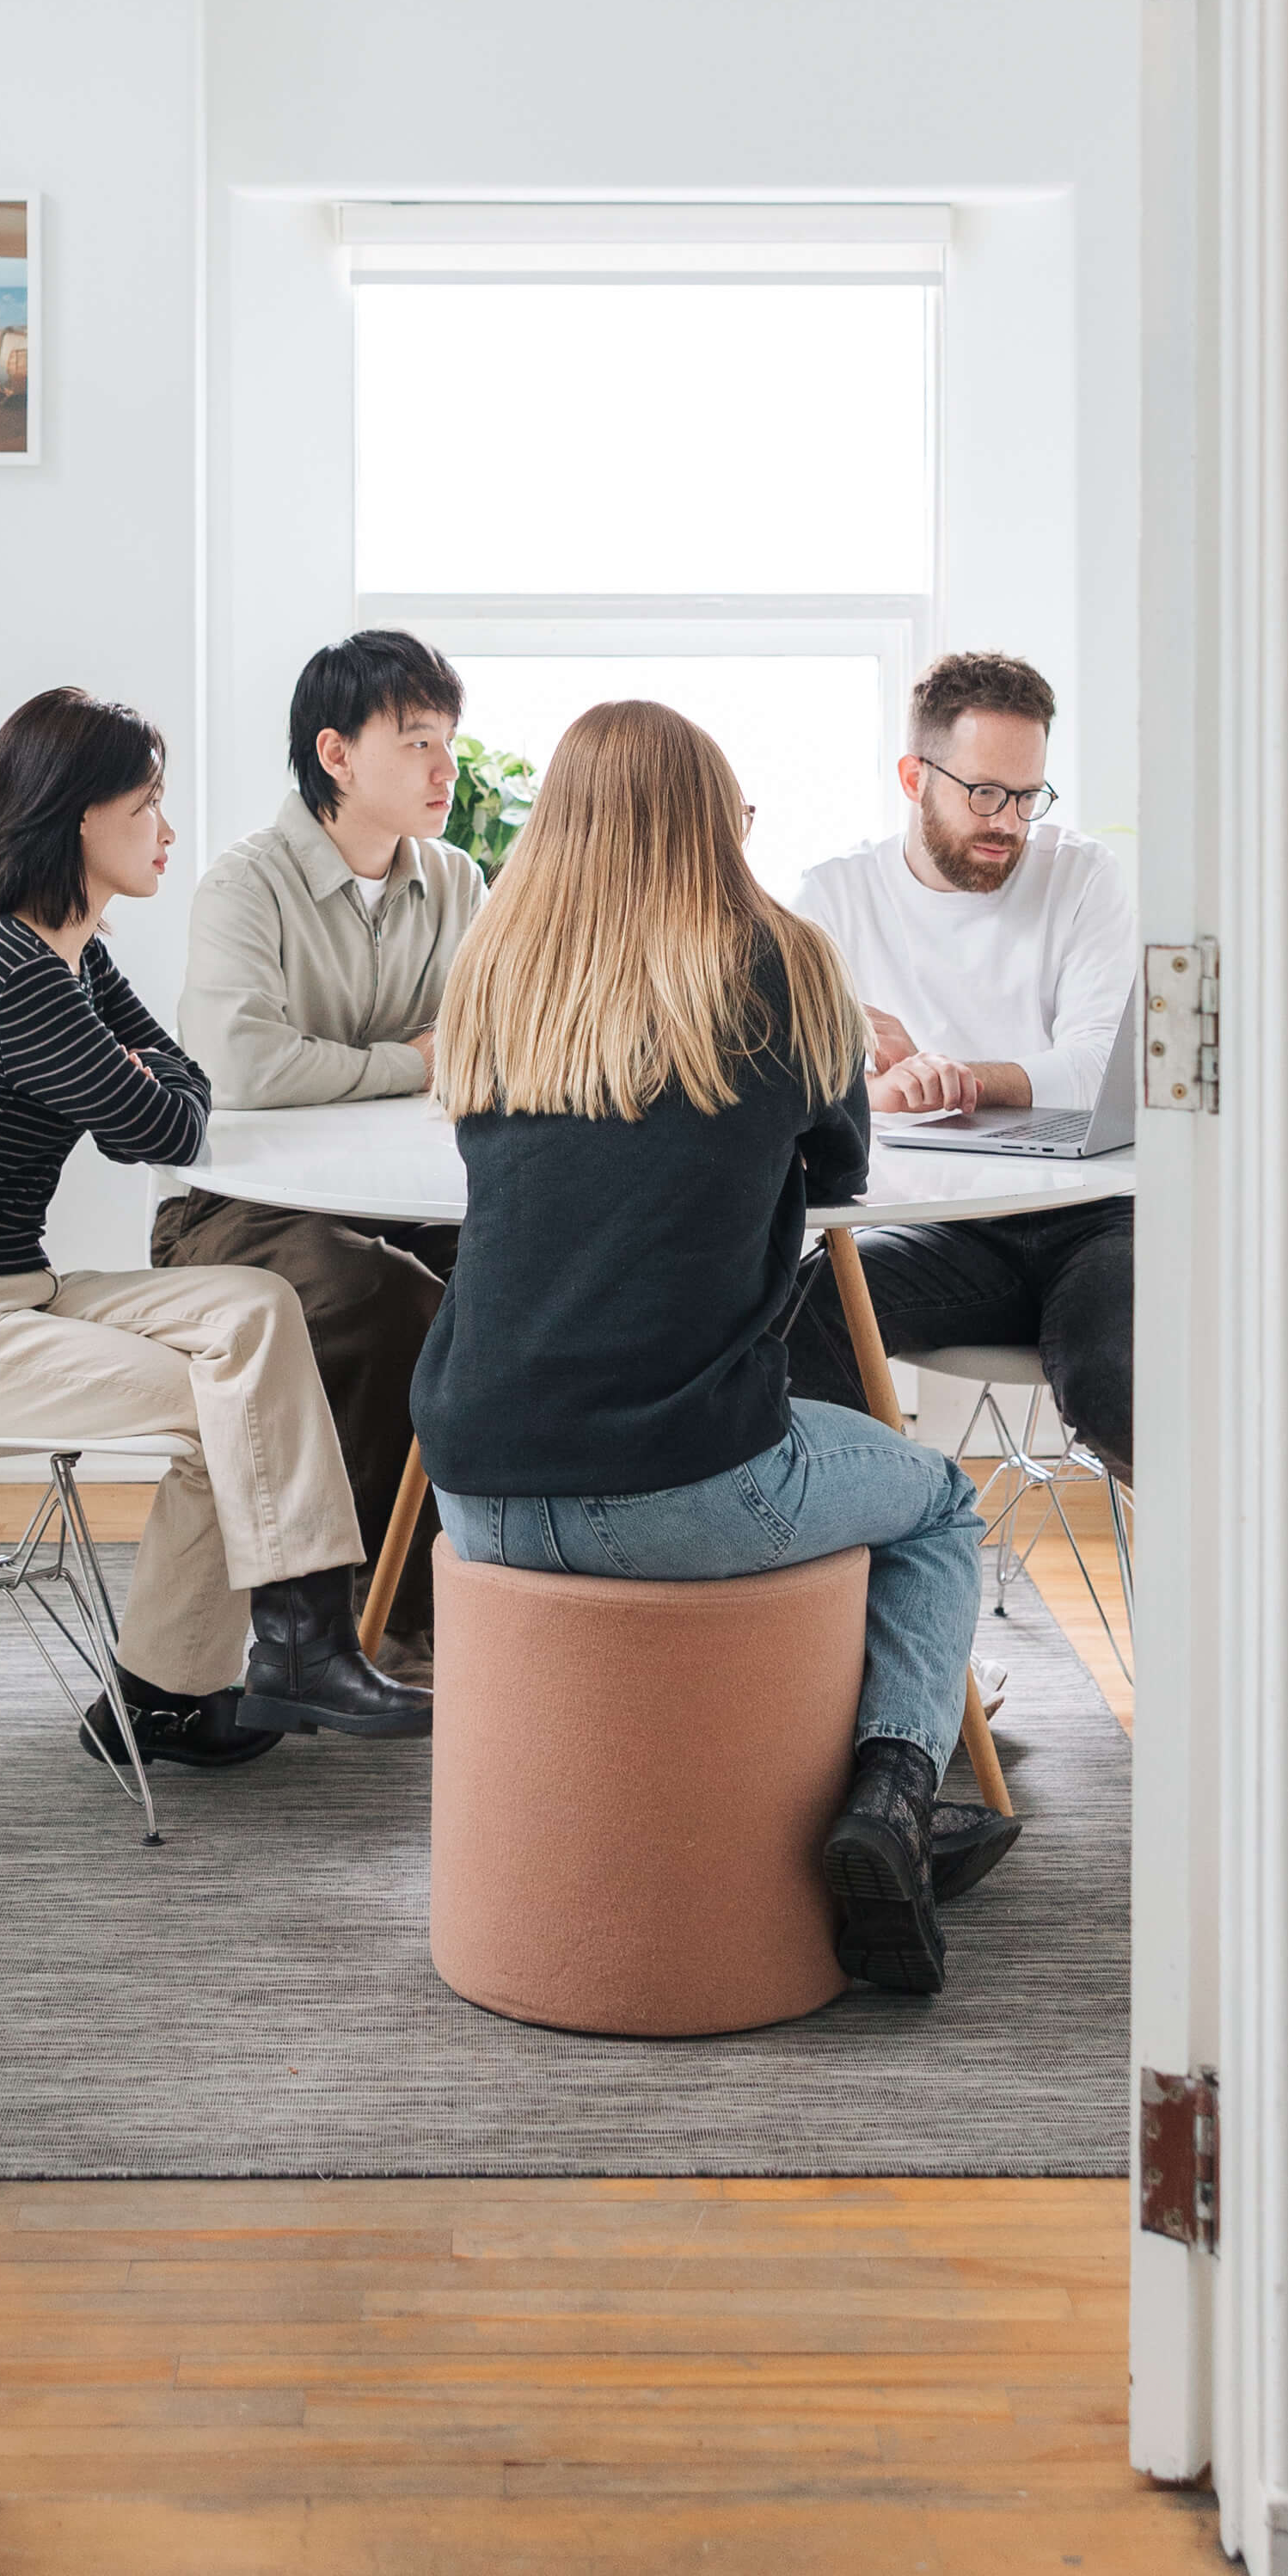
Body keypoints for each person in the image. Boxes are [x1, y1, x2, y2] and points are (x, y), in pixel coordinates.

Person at [411, 700, 1013, 2001]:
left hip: (473, 1483)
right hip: (679, 1484)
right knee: (941, 1505)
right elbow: (842, 1167)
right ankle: (897, 1793)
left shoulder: (499, 969)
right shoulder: (782, 960)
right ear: (713, 816)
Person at [0, 683, 429, 1769]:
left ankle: (244, 1664)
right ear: (82, 817)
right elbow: (154, 1121)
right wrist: (152, 1079)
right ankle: (200, 1679)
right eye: (147, 805)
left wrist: (154, 1077)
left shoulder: (73, 956)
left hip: (21, 1285)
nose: (167, 830)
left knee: (259, 1312)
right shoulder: (17, 974)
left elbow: (190, 1087)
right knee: (239, 1409)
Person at [153, 630, 490, 1658]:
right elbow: (245, 1071)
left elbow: (483, 1044)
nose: (446, 768)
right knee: (387, 1298)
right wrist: (413, 1059)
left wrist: (426, 1056)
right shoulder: (244, 886)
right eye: (419, 741)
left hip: (403, 1205)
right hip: (235, 1218)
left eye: (450, 740)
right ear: (336, 755)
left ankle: (486, 1596)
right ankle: (367, 1615)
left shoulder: (457, 880)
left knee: (512, 1290)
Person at [785, 647, 1138, 1480]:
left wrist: (960, 1079)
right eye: (983, 792)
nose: (1007, 821)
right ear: (914, 777)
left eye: (1025, 795)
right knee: (791, 1314)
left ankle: (1227, 1604)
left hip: (1098, 1214)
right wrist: (877, 1089)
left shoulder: (1082, 876)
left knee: (1118, 1382)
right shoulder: (832, 896)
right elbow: (802, 1091)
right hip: (941, 1228)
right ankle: (886, 1529)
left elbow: (1096, 1069)